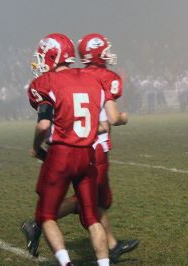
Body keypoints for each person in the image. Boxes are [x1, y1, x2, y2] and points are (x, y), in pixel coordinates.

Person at [21, 33, 136, 263]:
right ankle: (106, 252)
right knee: (91, 207)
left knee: (83, 205)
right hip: (89, 150)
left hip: (67, 149)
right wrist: (121, 118)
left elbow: (46, 122)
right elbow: (107, 120)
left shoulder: (54, 80)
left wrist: (38, 146)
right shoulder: (93, 78)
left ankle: (87, 250)